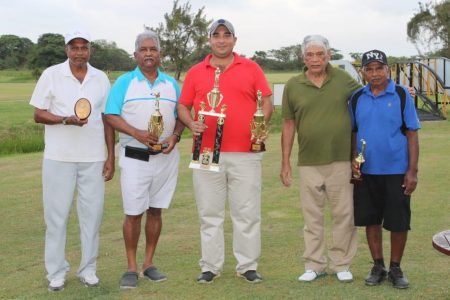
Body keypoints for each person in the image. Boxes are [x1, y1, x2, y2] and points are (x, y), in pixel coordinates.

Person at [177, 19, 273, 284]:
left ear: (234, 39)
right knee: (209, 212)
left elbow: (266, 100)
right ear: (210, 40)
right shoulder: (197, 71)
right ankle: (210, 266)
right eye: (216, 35)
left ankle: (247, 265)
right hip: (206, 151)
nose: (222, 40)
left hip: (245, 152)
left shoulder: (251, 67)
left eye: (226, 35)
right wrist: (189, 122)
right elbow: (183, 106)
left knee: (247, 212)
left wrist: (261, 124)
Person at [29, 28, 115, 291]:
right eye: (74, 47)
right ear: (67, 50)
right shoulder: (52, 74)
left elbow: (107, 119)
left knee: (92, 216)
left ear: (90, 50)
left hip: (93, 158)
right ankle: (56, 272)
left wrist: (110, 156)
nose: (80, 52)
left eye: (84, 47)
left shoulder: (101, 78)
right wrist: (66, 119)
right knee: (57, 218)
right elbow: (39, 114)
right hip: (59, 158)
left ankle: (88, 269)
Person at [104, 30, 184, 289]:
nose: (149, 53)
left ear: (160, 54)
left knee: (156, 210)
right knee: (133, 213)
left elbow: (183, 114)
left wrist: (175, 136)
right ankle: (131, 267)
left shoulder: (172, 84)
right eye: (144, 49)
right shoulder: (125, 82)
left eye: (154, 49)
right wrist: (137, 133)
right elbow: (110, 115)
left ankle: (149, 263)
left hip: (165, 158)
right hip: (134, 157)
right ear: (136, 54)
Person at [280, 34, 361, 283]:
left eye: (319, 54)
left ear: (328, 55)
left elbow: (370, 95)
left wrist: (404, 90)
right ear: (303, 58)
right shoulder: (293, 85)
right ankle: (314, 265)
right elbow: (288, 125)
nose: (315, 59)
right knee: (311, 216)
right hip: (308, 162)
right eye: (310, 55)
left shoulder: (343, 80)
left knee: (343, 215)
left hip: (340, 160)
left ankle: (341, 264)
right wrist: (285, 163)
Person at [350, 50, 420, 289]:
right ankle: (378, 266)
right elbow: (354, 131)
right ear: (363, 72)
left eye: (379, 68)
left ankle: (396, 268)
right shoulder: (357, 97)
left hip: (396, 170)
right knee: (371, 220)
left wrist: (412, 171)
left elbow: (412, 133)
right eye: (369, 69)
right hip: (367, 171)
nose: (374, 73)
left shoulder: (401, 95)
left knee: (398, 222)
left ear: (388, 69)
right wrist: (354, 162)